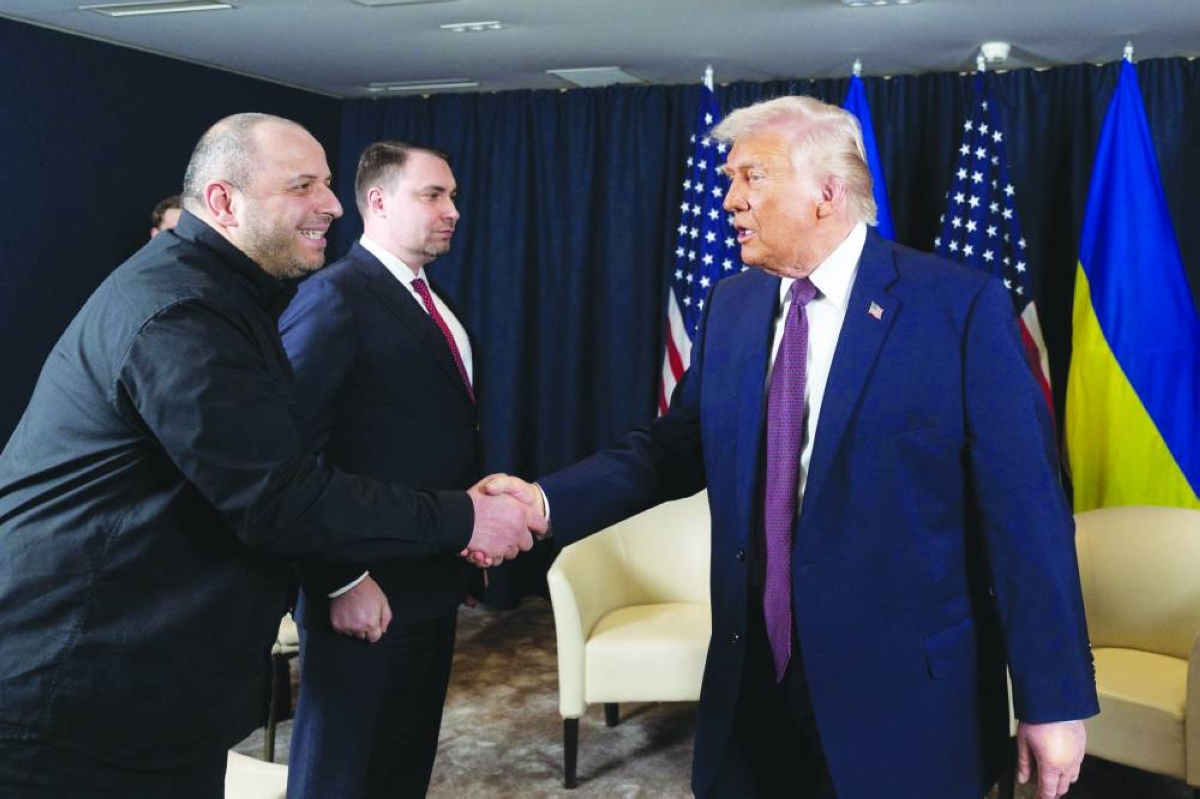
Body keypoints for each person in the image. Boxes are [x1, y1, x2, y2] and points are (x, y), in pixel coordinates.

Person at [485, 96, 1097, 799]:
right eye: (729, 180)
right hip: (754, 686)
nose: (729, 200)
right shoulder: (733, 306)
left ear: (826, 193)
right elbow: (668, 451)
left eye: (751, 177)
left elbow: (1028, 519)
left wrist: (1052, 700)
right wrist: (542, 501)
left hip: (904, 706)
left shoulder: (957, 309)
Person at [0, 113, 541, 798]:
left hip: (148, 686)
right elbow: (280, 494)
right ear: (225, 202)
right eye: (303, 185)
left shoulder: (228, 296)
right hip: (78, 694)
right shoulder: (181, 312)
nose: (333, 203)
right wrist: (462, 518)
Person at [279, 141, 480, 797]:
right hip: (361, 587)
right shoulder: (334, 297)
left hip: (427, 580)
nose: (452, 210)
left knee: (401, 768)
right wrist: (339, 579)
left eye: (451, 195)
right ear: (377, 200)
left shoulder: (432, 297)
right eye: (433, 195)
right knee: (339, 775)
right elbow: (289, 457)